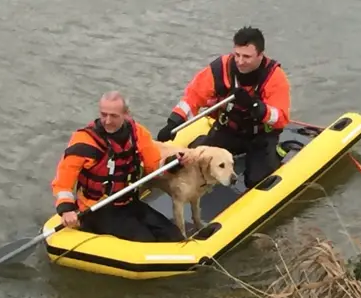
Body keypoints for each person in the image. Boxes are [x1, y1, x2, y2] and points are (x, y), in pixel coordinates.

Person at [156, 26, 291, 189]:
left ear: (260, 55)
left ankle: (275, 154)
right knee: (194, 161)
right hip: (229, 130)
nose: (240, 61)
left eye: (247, 57)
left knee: (256, 180)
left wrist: (254, 105)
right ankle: (201, 143)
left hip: (260, 136)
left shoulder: (274, 77)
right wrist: (174, 122)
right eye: (237, 55)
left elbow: (280, 119)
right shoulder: (222, 68)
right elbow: (194, 96)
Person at [51, 91, 193, 242]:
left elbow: (154, 166)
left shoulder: (137, 133)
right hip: (97, 209)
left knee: (173, 235)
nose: (107, 121)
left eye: (114, 116)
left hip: (129, 203)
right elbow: (62, 183)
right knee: (145, 240)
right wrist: (66, 210)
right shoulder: (84, 142)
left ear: (126, 114)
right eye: (104, 114)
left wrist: (173, 162)